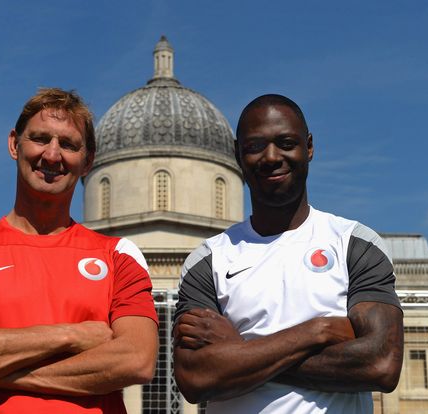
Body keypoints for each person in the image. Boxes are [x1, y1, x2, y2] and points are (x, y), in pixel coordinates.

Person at [0, 88, 159, 413]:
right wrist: (71, 336)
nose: (53, 155)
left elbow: (136, 361)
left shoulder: (120, 254)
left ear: (88, 161)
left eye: (69, 145)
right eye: (40, 139)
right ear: (15, 144)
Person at [173, 94, 403, 413]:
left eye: (285, 142)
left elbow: (381, 364)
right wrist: (318, 331)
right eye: (255, 146)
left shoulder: (356, 243)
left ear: (308, 147)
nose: (271, 157)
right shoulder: (207, 260)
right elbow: (194, 379)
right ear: (237, 154)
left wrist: (239, 352)